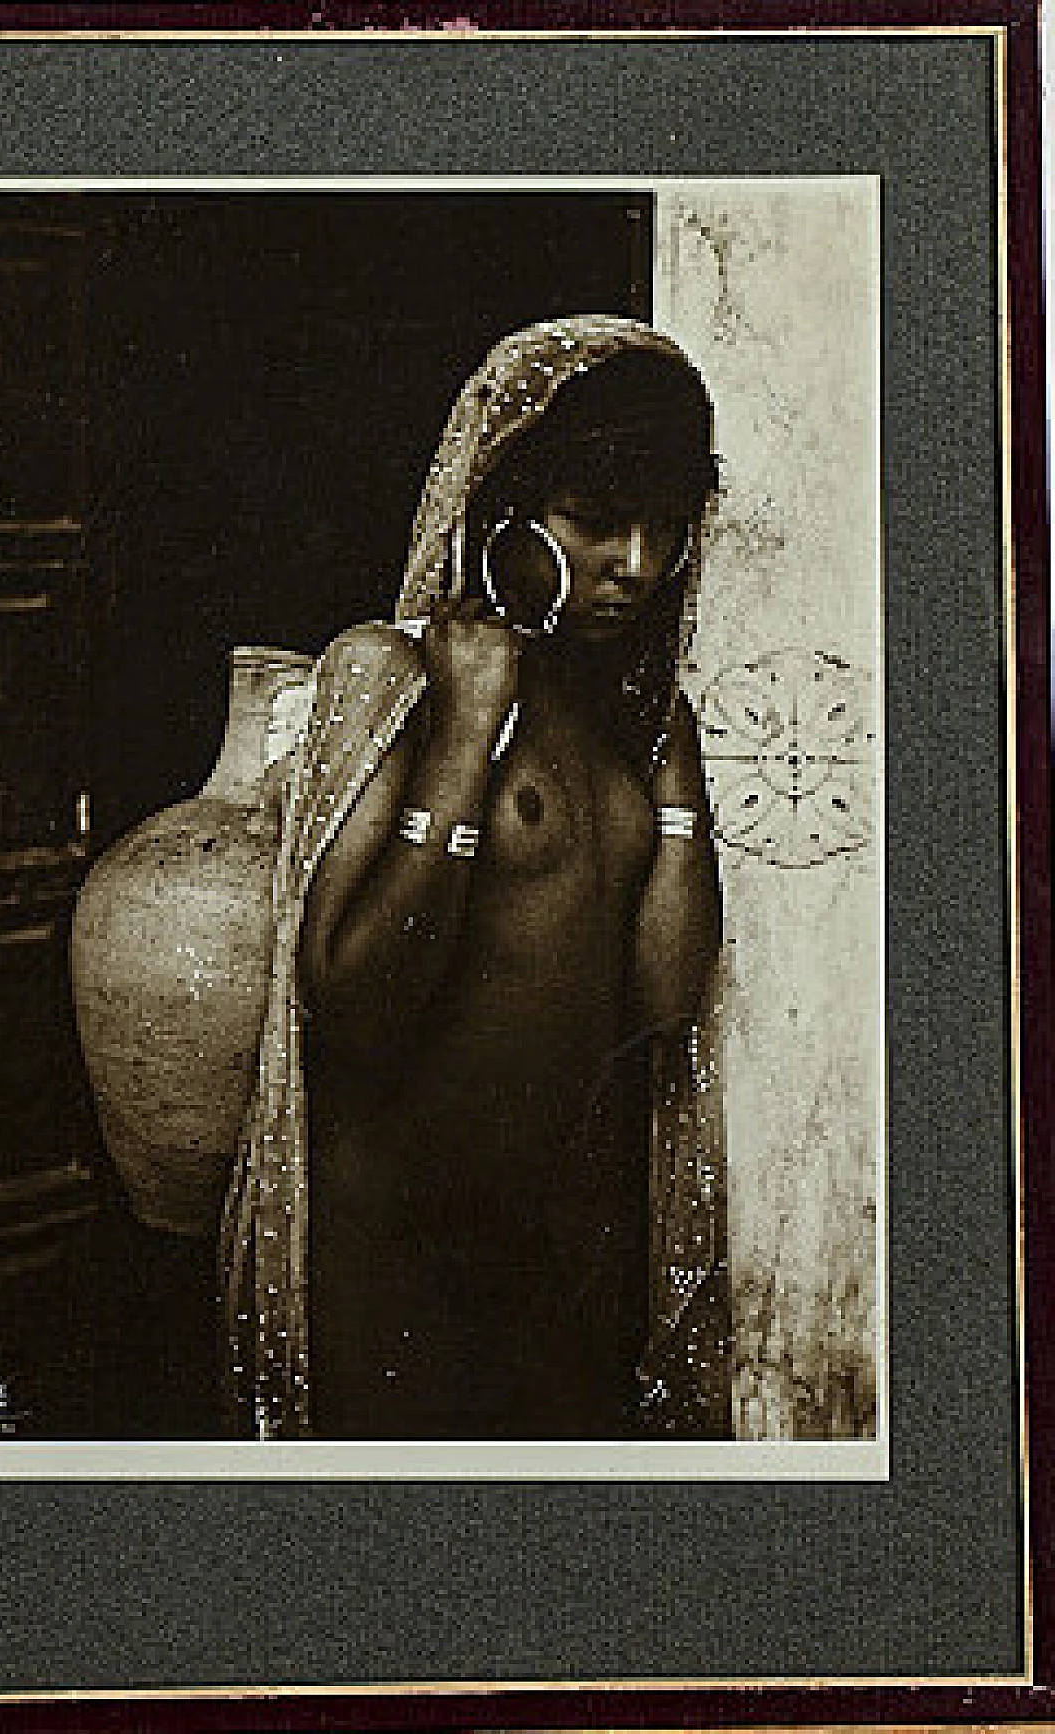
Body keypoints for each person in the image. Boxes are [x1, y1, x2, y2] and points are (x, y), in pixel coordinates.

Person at [220, 316, 731, 1440]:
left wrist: (675, 790)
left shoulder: (625, 726)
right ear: (509, 515)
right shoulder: (387, 672)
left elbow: (663, 1003)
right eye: (597, 522)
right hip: (398, 1254)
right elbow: (352, 1006)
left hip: (558, 1258)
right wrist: (461, 735)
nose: (638, 566)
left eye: (664, 529)